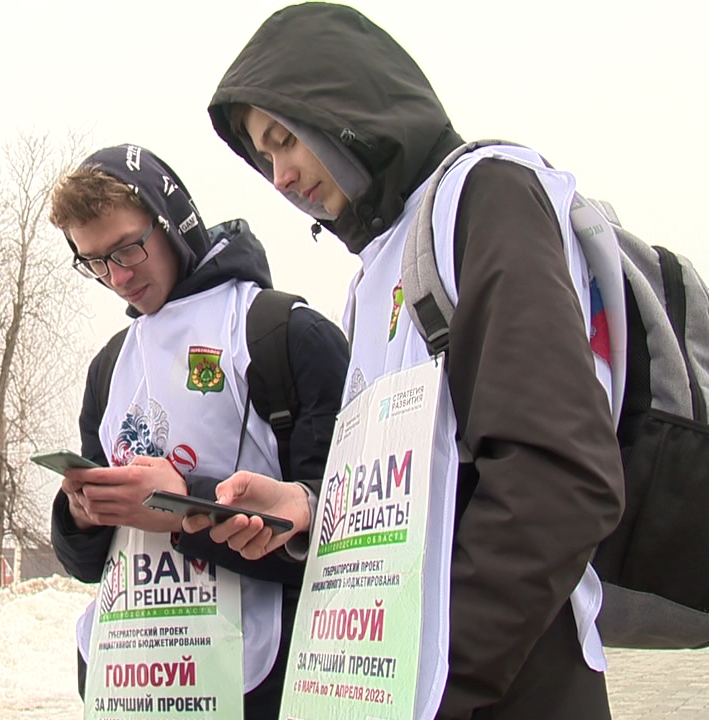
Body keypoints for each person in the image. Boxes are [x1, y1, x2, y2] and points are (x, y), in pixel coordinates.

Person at [193, 4, 626, 719]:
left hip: (508, 683)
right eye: (263, 157)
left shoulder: (484, 195)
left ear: (340, 105)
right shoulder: (370, 276)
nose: (280, 174)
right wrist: (309, 509)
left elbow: (559, 478)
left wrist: (438, 686)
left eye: (284, 139)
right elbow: (423, 492)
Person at [48, 144, 349, 718]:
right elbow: (89, 565)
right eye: (94, 261)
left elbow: (343, 539)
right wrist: (83, 514)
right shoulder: (111, 367)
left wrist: (184, 505)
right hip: (128, 681)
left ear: (171, 220)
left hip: (261, 682)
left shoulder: (285, 335)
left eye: (128, 247)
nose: (118, 276)